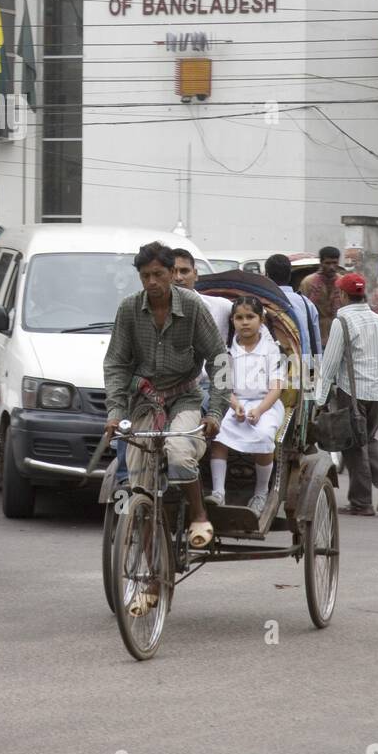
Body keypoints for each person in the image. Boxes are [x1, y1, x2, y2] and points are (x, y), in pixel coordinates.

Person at [104, 242, 231, 578]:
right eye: (145, 276)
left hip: (186, 398)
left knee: (178, 452)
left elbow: (219, 359)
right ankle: (155, 571)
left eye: (158, 274)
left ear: (171, 274)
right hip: (145, 400)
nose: (152, 282)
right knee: (138, 485)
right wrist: (115, 412)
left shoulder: (191, 306)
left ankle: (199, 515)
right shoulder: (129, 310)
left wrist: (215, 412)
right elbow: (116, 363)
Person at [315, 272, 378, 516]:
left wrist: (319, 399)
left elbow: (329, 365)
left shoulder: (343, 321)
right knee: (367, 439)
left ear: (343, 295)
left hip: (353, 392)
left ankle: (361, 503)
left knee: (352, 445)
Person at [207, 296, 285, 517]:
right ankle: (218, 492)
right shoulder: (225, 350)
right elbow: (223, 387)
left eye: (250, 317)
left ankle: (260, 493)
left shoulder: (273, 350)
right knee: (218, 433)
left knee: (264, 436)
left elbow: (276, 388)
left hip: (267, 406)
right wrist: (236, 405)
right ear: (232, 321)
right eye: (239, 317)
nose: (245, 322)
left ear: (261, 319)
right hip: (234, 403)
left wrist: (259, 411)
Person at [264, 253, 321, 362]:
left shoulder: (262, 304)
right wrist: (315, 372)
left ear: (267, 275)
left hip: (273, 368)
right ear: (290, 275)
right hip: (303, 369)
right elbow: (316, 342)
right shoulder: (306, 303)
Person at [171, 249, 232, 343]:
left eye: (184, 271)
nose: (178, 277)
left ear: (195, 275)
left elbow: (257, 317)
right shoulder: (155, 312)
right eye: (172, 272)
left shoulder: (220, 307)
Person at [299, 246, 343, 347]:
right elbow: (303, 311)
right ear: (321, 263)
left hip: (338, 339)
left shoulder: (343, 283)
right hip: (315, 338)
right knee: (317, 363)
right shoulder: (308, 283)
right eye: (328, 263)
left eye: (334, 263)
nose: (331, 267)